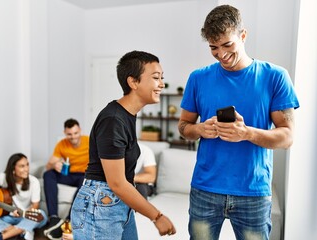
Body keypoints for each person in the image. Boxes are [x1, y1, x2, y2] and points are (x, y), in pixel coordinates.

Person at [178, 5, 299, 240]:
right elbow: (183, 127)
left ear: (243, 35)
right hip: (205, 190)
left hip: (253, 193)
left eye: (227, 45)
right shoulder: (198, 78)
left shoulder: (275, 76)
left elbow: (287, 137)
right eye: (213, 47)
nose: (221, 54)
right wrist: (200, 129)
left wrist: (247, 133)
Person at [71, 50, 176, 240]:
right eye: (155, 78)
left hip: (117, 203)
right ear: (133, 82)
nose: (161, 84)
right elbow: (117, 182)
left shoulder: (127, 115)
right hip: (101, 204)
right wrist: (157, 216)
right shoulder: (113, 119)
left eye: (161, 78)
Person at [0, 153, 47, 240]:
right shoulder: (3, 178)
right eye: (22, 166)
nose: (27, 169)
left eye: (27, 165)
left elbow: (35, 205)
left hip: (26, 217)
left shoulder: (34, 182)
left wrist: (24, 213)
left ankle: (2, 236)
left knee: (41, 215)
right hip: (7, 217)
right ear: (13, 169)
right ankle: (21, 231)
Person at [43, 118, 89, 240]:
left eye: (75, 133)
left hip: (84, 175)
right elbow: (48, 166)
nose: (73, 137)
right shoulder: (62, 144)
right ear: (65, 133)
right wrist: (54, 165)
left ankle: (69, 220)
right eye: (69, 134)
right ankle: (53, 217)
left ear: (80, 130)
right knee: (48, 174)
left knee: (84, 179)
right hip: (69, 175)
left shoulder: (89, 141)